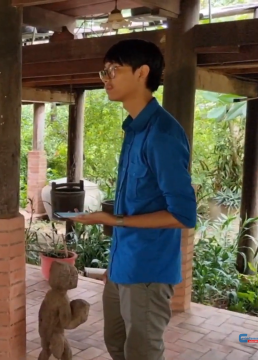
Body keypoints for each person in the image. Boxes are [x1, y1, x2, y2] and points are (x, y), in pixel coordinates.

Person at [71, 39, 197, 360]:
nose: (106, 78)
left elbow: (183, 215)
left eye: (114, 70)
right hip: (121, 264)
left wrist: (116, 220)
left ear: (142, 72)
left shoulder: (163, 134)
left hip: (147, 271)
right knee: (116, 344)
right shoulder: (134, 130)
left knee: (141, 353)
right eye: (105, 71)